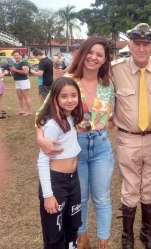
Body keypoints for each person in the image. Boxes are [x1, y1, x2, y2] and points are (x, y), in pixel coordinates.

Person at [36, 36, 115, 249]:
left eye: (100, 54)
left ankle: (103, 240)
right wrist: (40, 139)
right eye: (90, 52)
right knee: (79, 198)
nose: (94, 57)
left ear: (105, 58)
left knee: (102, 198)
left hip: (101, 145)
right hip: (74, 145)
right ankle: (82, 237)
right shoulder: (69, 79)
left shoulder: (108, 84)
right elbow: (42, 114)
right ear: (83, 53)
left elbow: (114, 114)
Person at [110, 22, 151, 249]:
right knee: (130, 186)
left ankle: (146, 232)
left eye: (146, 44)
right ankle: (127, 236)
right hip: (129, 138)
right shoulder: (115, 69)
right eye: (137, 44)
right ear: (129, 44)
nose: (142, 49)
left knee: (150, 185)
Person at [36, 76, 83, 249]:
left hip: (73, 181)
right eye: (64, 96)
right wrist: (48, 195)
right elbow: (42, 162)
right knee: (54, 234)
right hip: (56, 184)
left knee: (73, 227)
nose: (70, 100)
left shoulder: (71, 118)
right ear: (55, 98)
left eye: (73, 95)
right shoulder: (53, 125)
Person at [10, 50, 32, 116]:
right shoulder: (15, 64)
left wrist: (15, 70)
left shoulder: (24, 63)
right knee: (20, 97)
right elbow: (13, 73)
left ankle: (29, 111)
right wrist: (12, 71)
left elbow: (25, 72)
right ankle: (22, 110)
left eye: (17, 55)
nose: (16, 56)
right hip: (17, 81)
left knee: (26, 97)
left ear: (20, 55)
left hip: (24, 81)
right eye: (15, 55)